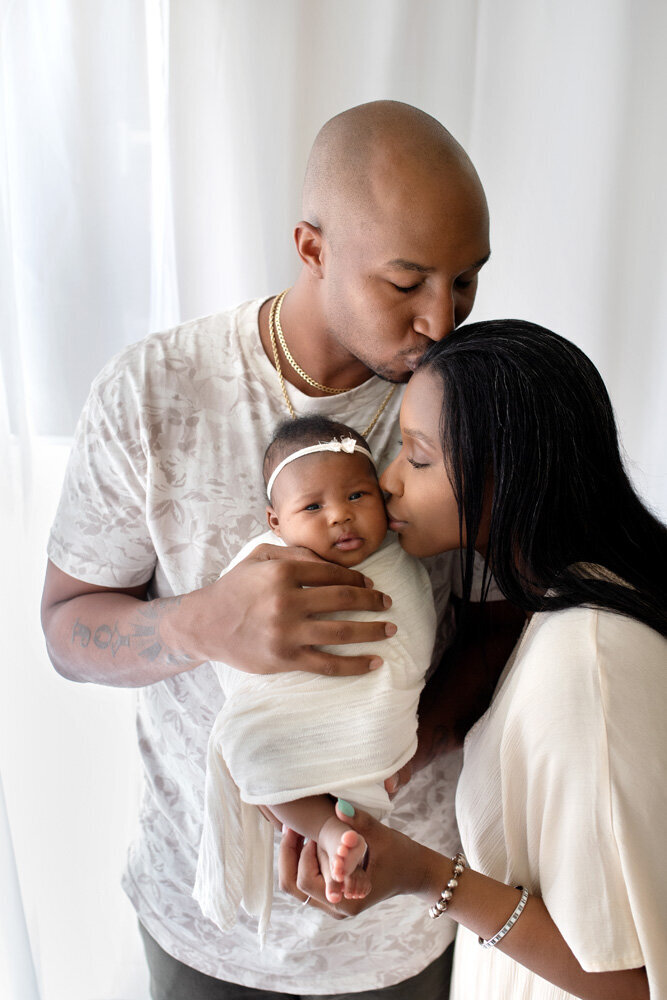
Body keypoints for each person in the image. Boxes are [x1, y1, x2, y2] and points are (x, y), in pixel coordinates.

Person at [40, 100, 496, 998]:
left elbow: (502, 618)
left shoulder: (475, 404)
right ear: (313, 247)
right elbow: (65, 630)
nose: (441, 322)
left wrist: (393, 760)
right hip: (202, 920)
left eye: (467, 281)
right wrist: (200, 624)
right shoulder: (154, 391)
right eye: (405, 284)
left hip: (398, 922)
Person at [280, 319, 667, 1000]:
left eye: (419, 457)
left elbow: (633, 984)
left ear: (509, 472)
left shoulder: (587, 665)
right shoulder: (570, 604)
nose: (388, 484)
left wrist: (427, 877)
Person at [194, 415, 437, 942]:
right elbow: (232, 649)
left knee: (343, 780)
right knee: (257, 751)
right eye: (312, 507)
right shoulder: (264, 565)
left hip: (371, 732)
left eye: (357, 496)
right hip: (286, 721)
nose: (340, 518)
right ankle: (328, 829)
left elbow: (410, 642)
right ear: (275, 522)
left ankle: (343, 837)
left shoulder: (401, 559)